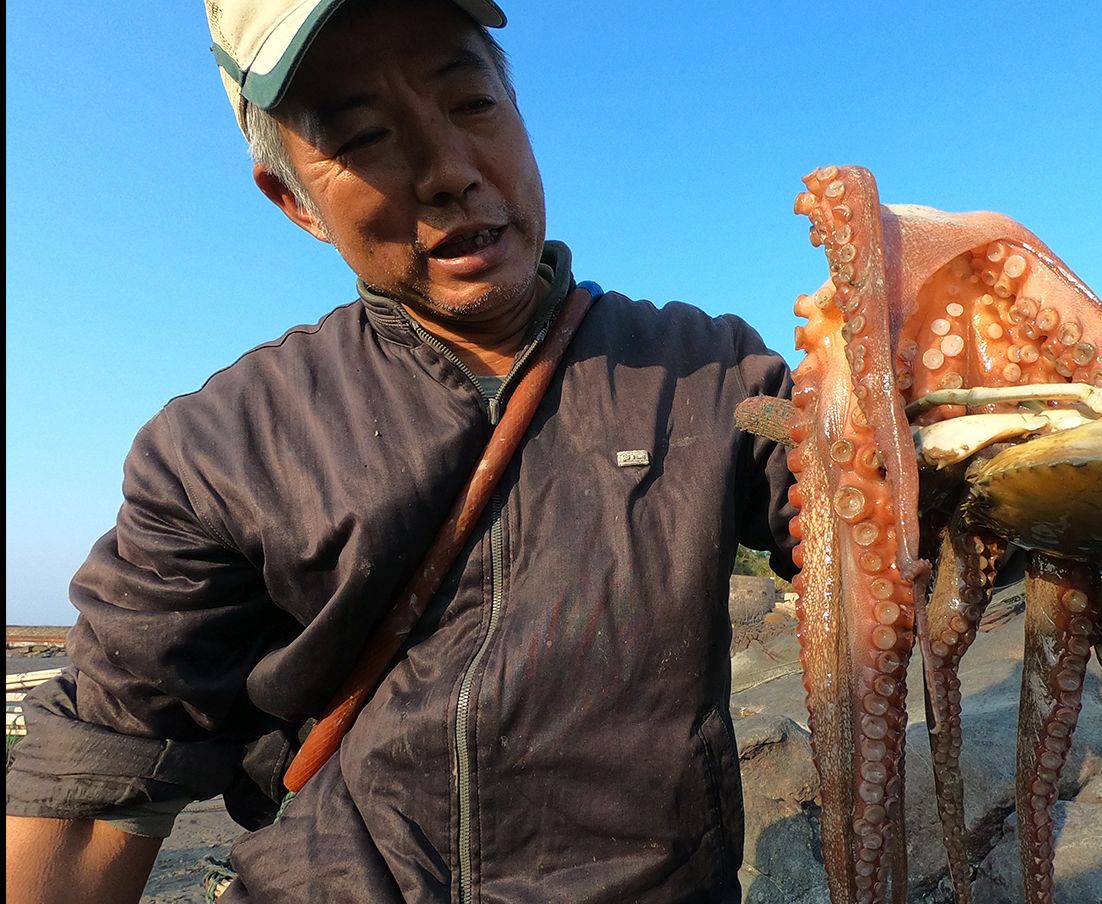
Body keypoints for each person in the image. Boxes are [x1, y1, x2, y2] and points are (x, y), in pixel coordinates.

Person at [4, 1, 796, 901]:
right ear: (291, 198)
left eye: (471, 106)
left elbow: (886, 513)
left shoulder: (712, 370)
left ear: (518, 108)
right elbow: (104, 762)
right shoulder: (222, 445)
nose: (450, 171)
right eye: (366, 137)